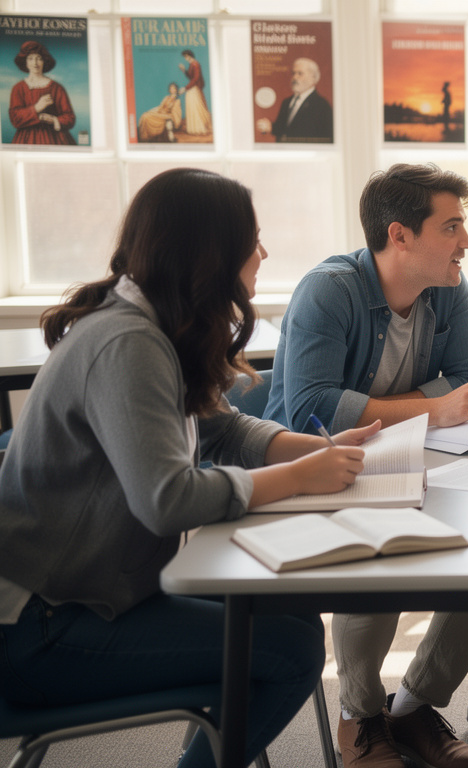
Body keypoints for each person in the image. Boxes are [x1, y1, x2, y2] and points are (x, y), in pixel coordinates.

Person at [0, 168, 372, 768]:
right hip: (41, 628)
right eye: (252, 239)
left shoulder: (158, 327)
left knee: (291, 617)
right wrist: (299, 477)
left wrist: (312, 450)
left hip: (91, 595)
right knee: (292, 652)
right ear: (209, 252)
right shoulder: (127, 343)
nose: (263, 253)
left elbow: (222, 428)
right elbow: (167, 500)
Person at [266, 163, 468, 768]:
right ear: (400, 235)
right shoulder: (329, 290)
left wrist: (416, 409)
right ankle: (361, 715)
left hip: (417, 464)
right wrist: (432, 406)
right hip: (315, 469)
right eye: (451, 227)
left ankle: (413, 706)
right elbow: (313, 408)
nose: (466, 242)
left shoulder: (448, 286)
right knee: (379, 549)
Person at [8, 40, 75, 145]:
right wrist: (36, 108)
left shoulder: (56, 88)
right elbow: (15, 118)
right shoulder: (18, 88)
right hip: (26, 139)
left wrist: (53, 120)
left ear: (44, 61)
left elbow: (70, 117)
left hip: (54, 138)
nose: (35, 63)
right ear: (25, 62)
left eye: (39, 58)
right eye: (30, 58)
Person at [259, 57, 333, 143]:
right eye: (293, 73)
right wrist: (270, 127)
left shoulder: (321, 106)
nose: (294, 77)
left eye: (300, 73)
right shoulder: (286, 102)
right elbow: (283, 129)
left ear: (313, 77)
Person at [177, 49, 212, 137]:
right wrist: (184, 70)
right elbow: (191, 77)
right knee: (191, 103)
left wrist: (185, 88)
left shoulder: (195, 64)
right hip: (194, 87)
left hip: (195, 88)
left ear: (190, 55)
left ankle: (198, 128)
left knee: (194, 105)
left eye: (186, 56)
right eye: (185, 57)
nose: (185, 58)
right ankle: (194, 128)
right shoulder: (192, 64)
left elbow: (196, 78)